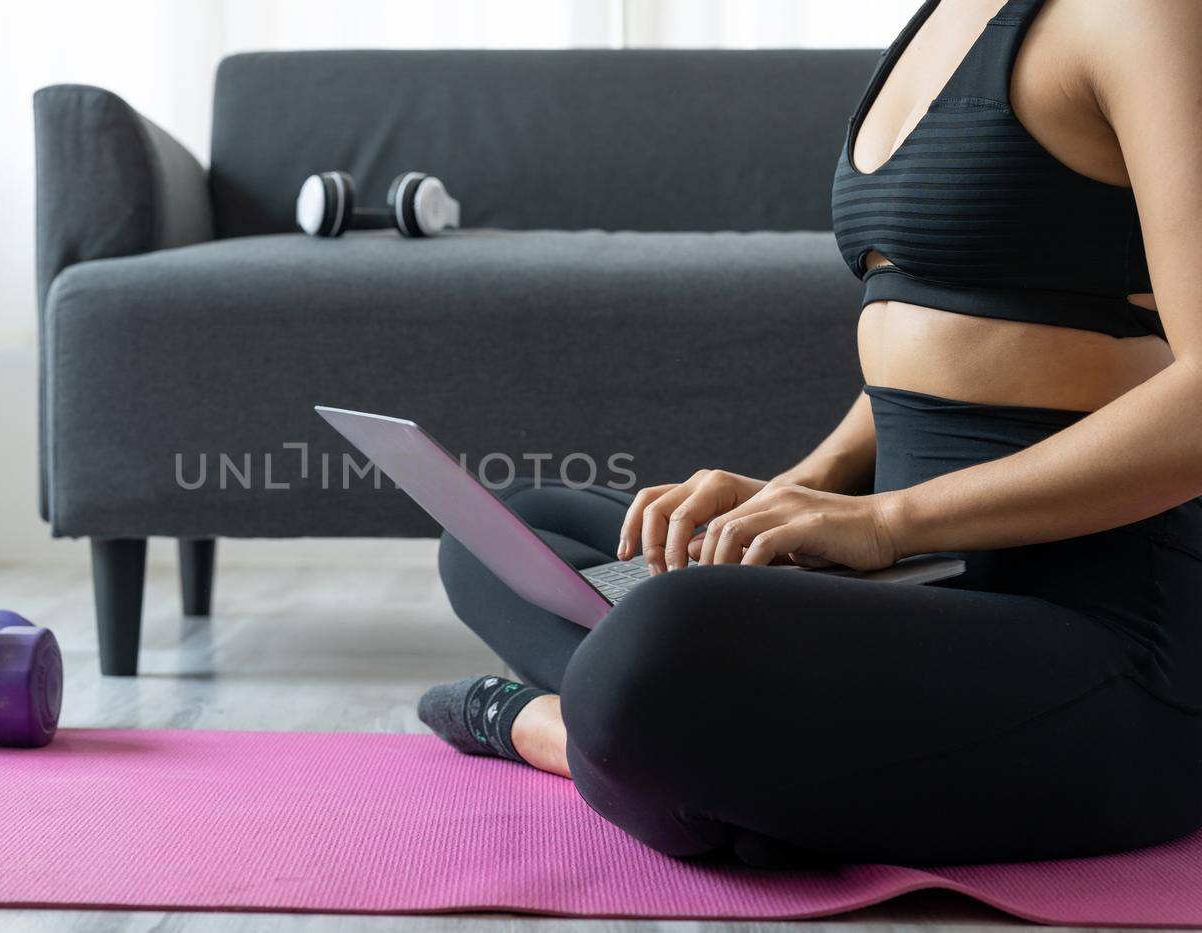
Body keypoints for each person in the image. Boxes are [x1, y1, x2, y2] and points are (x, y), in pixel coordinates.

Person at [417, 0, 1202, 867]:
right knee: (499, 532)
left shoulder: (1146, 14)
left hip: (1106, 635)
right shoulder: (944, 18)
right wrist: (801, 489)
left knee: (655, 645)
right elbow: (945, 321)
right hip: (915, 582)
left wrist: (887, 522)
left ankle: (561, 730)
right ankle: (662, 752)